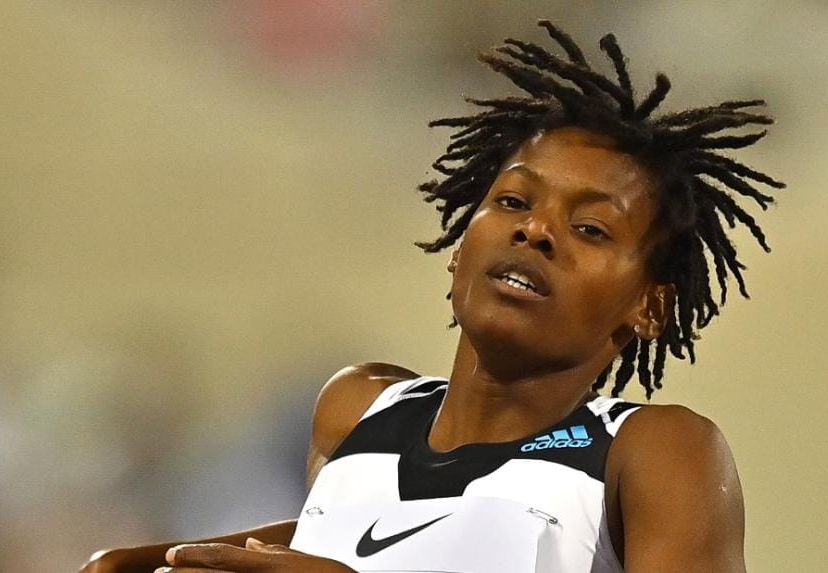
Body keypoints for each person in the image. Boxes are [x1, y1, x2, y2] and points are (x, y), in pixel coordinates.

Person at [80, 20, 783, 573]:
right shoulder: (355, 407)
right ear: (458, 247)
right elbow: (363, 532)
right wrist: (157, 560)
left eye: (590, 228)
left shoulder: (653, 450)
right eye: (512, 201)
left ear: (651, 306)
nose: (535, 230)